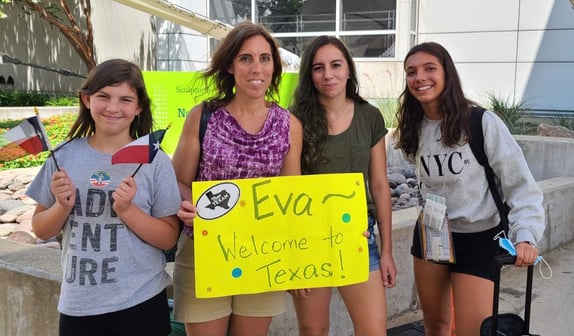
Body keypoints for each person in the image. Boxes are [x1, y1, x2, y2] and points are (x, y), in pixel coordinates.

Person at [394, 41, 545, 335]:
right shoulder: (413, 127)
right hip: (433, 233)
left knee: (473, 330)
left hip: (479, 237)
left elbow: (521, 186)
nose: (419, 78)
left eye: (429, 69)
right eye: (411, 72)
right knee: (435, 325)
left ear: (447, 74)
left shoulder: (480, 122)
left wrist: (526, 235)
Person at [25, 59, 182, 336]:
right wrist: (62, 206)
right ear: (87, 100)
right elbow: (40, 228)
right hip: (79, 305)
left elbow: (169, 237)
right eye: (103, 96)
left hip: (142, 302)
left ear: (139, 107)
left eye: (125, 99)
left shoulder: (154, 161)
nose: (113, 107)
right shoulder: (63, 156)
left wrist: (128, 210)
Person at [171, 21, 303, 336]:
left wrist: (301, 258)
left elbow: (291, 195)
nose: (256, 67)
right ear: (231, 65)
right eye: (246, 58)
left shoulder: (289, 125)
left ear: (274, 67)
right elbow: (177, 181)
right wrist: (188, 204)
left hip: (263, 254)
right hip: (205, 252)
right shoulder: (202, 116)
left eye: (264, 58)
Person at [289, 35, 397, 336]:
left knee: (373, 329)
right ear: (309, 75)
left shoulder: (369, 116)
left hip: (358, 237)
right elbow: (290, 188)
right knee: (313, 329)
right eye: (318, 67)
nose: (328, 75)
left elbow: (378, 185)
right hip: (310, 240)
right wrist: (293, 255)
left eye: (336, 65)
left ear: (348, 70)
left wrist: (387, 250)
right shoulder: (294, 121)